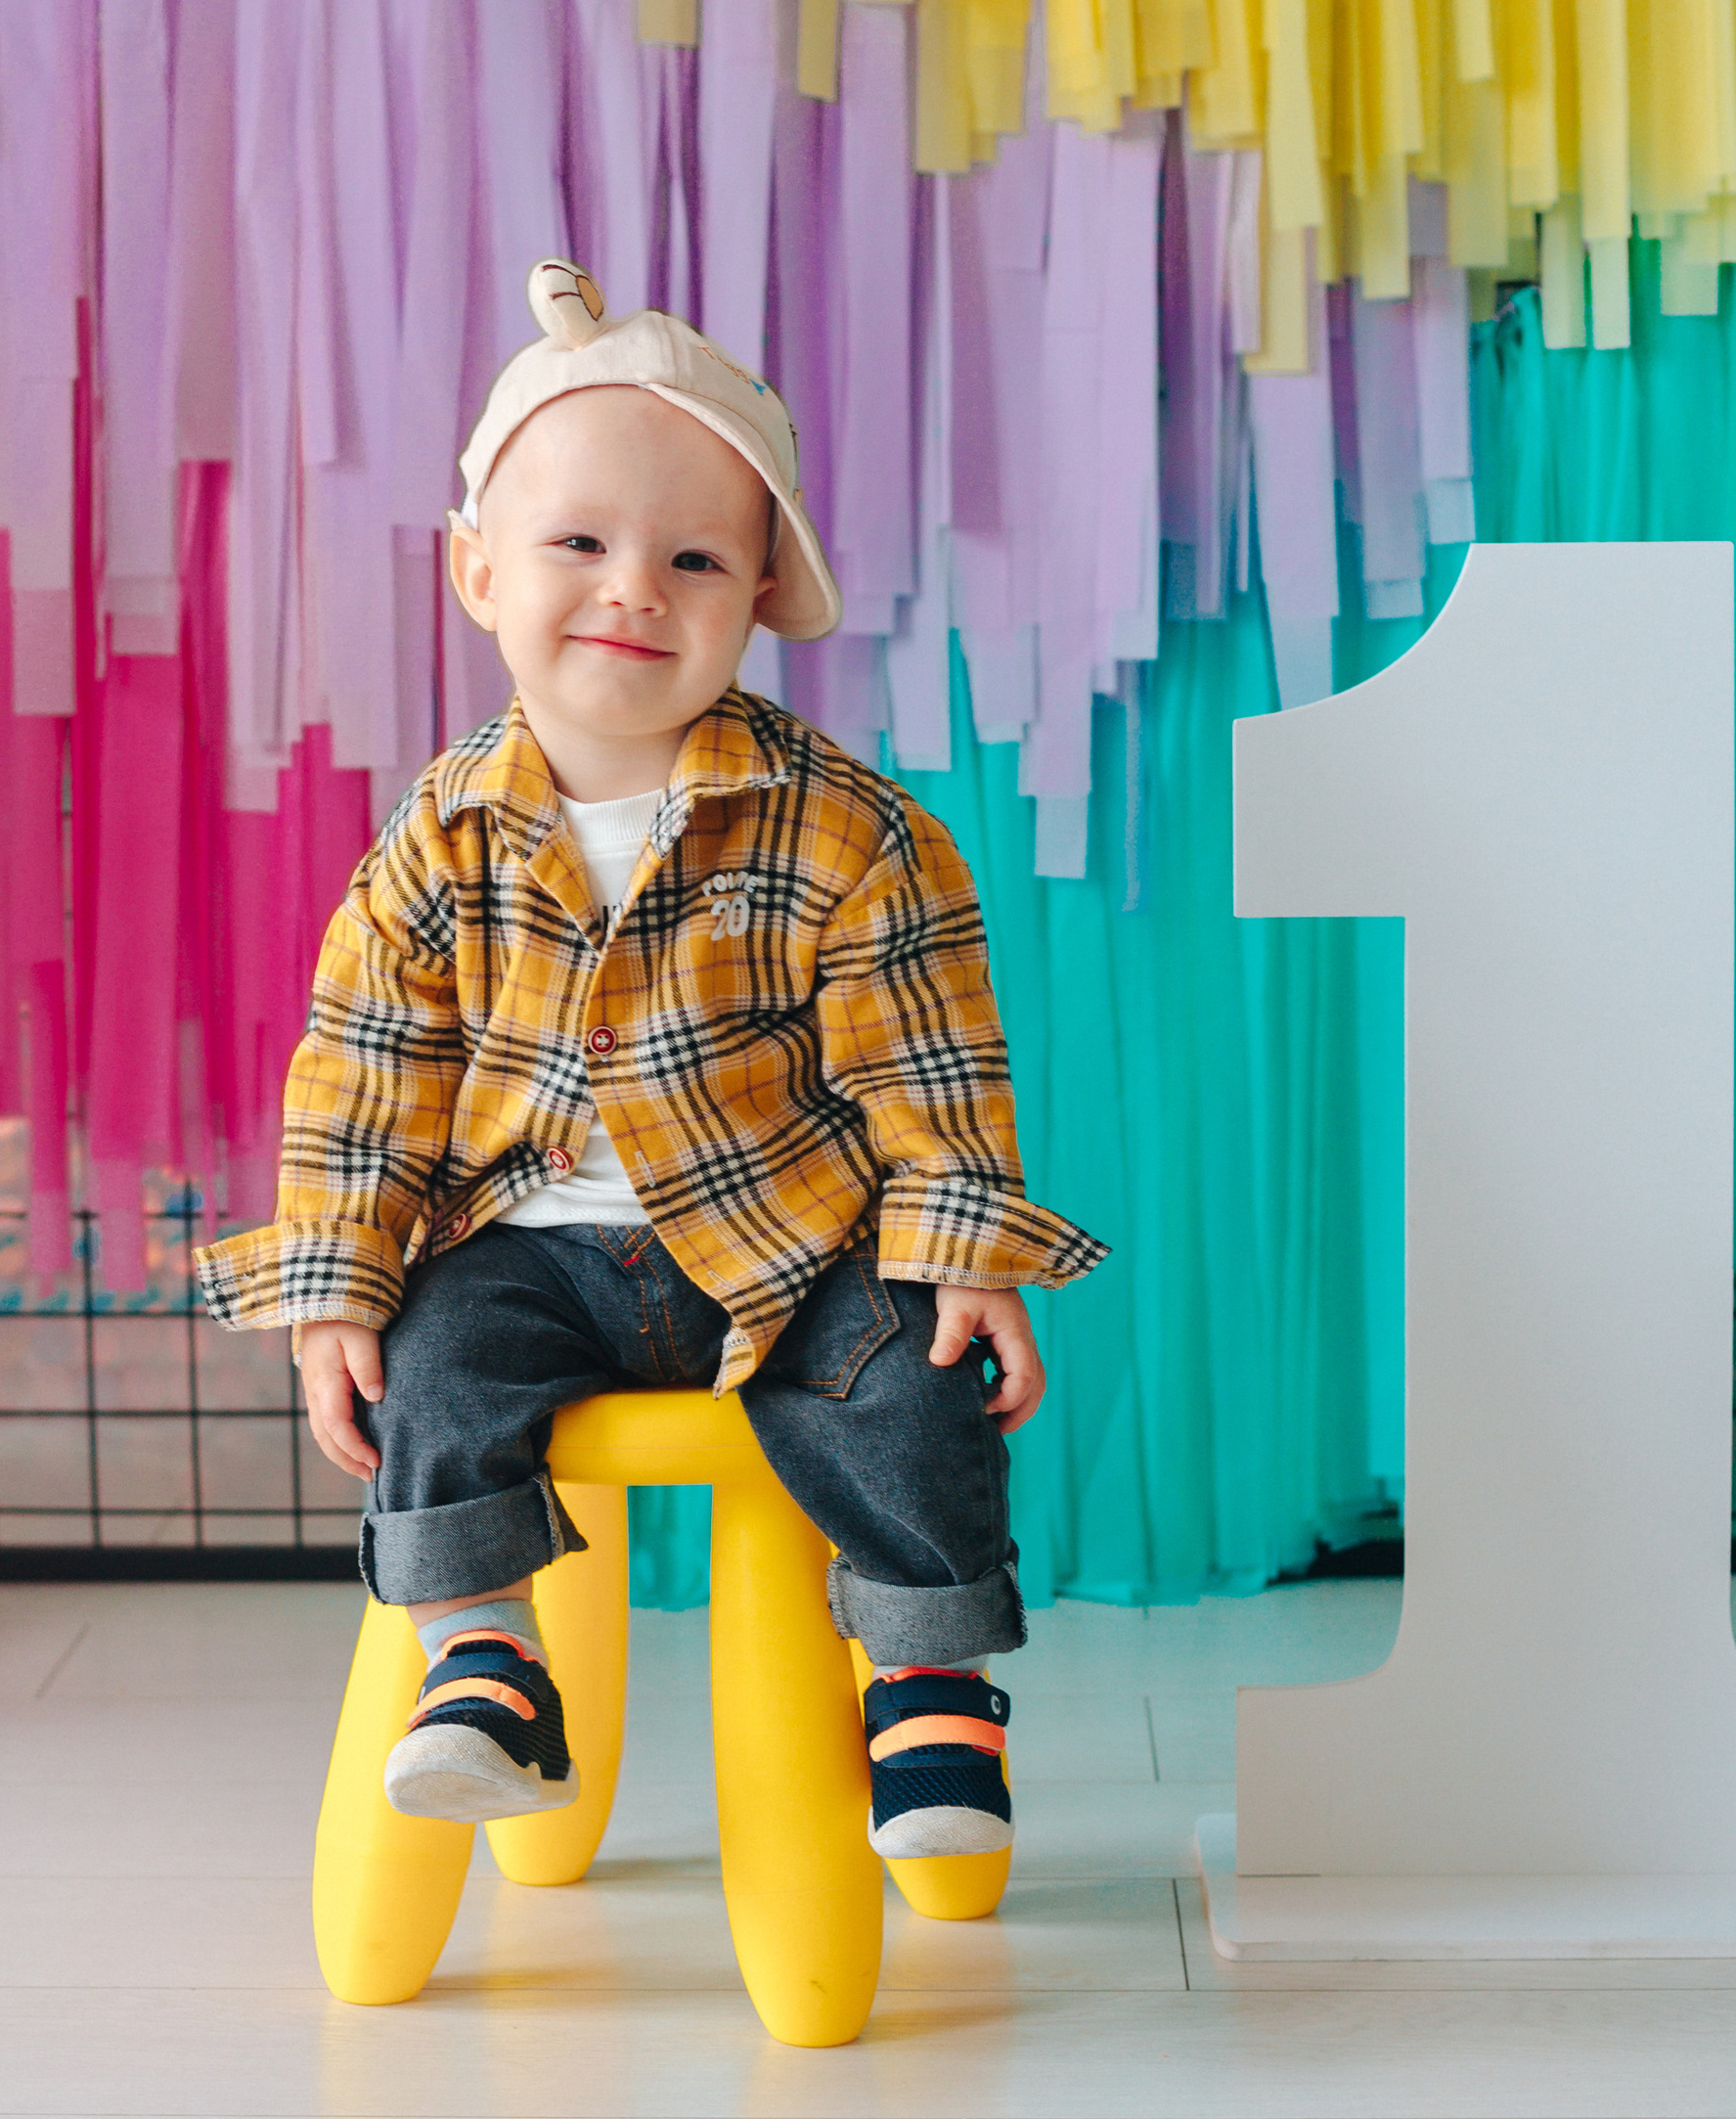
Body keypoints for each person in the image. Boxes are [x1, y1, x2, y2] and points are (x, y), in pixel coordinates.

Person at [197, 259, 1105, 1862]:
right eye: (579, 545)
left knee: (905, 1383)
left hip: (789, 1248)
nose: (633, 589)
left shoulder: (848, 829)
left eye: (693, 557)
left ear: (756, 598)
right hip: (528, 1255)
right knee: (434, 1363)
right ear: (478, 571)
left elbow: (928, 1055)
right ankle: (482, 1656)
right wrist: (335, 1284)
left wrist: (968, 1261)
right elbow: (364, 1073)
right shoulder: (437, 838)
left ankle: (929, 1681)